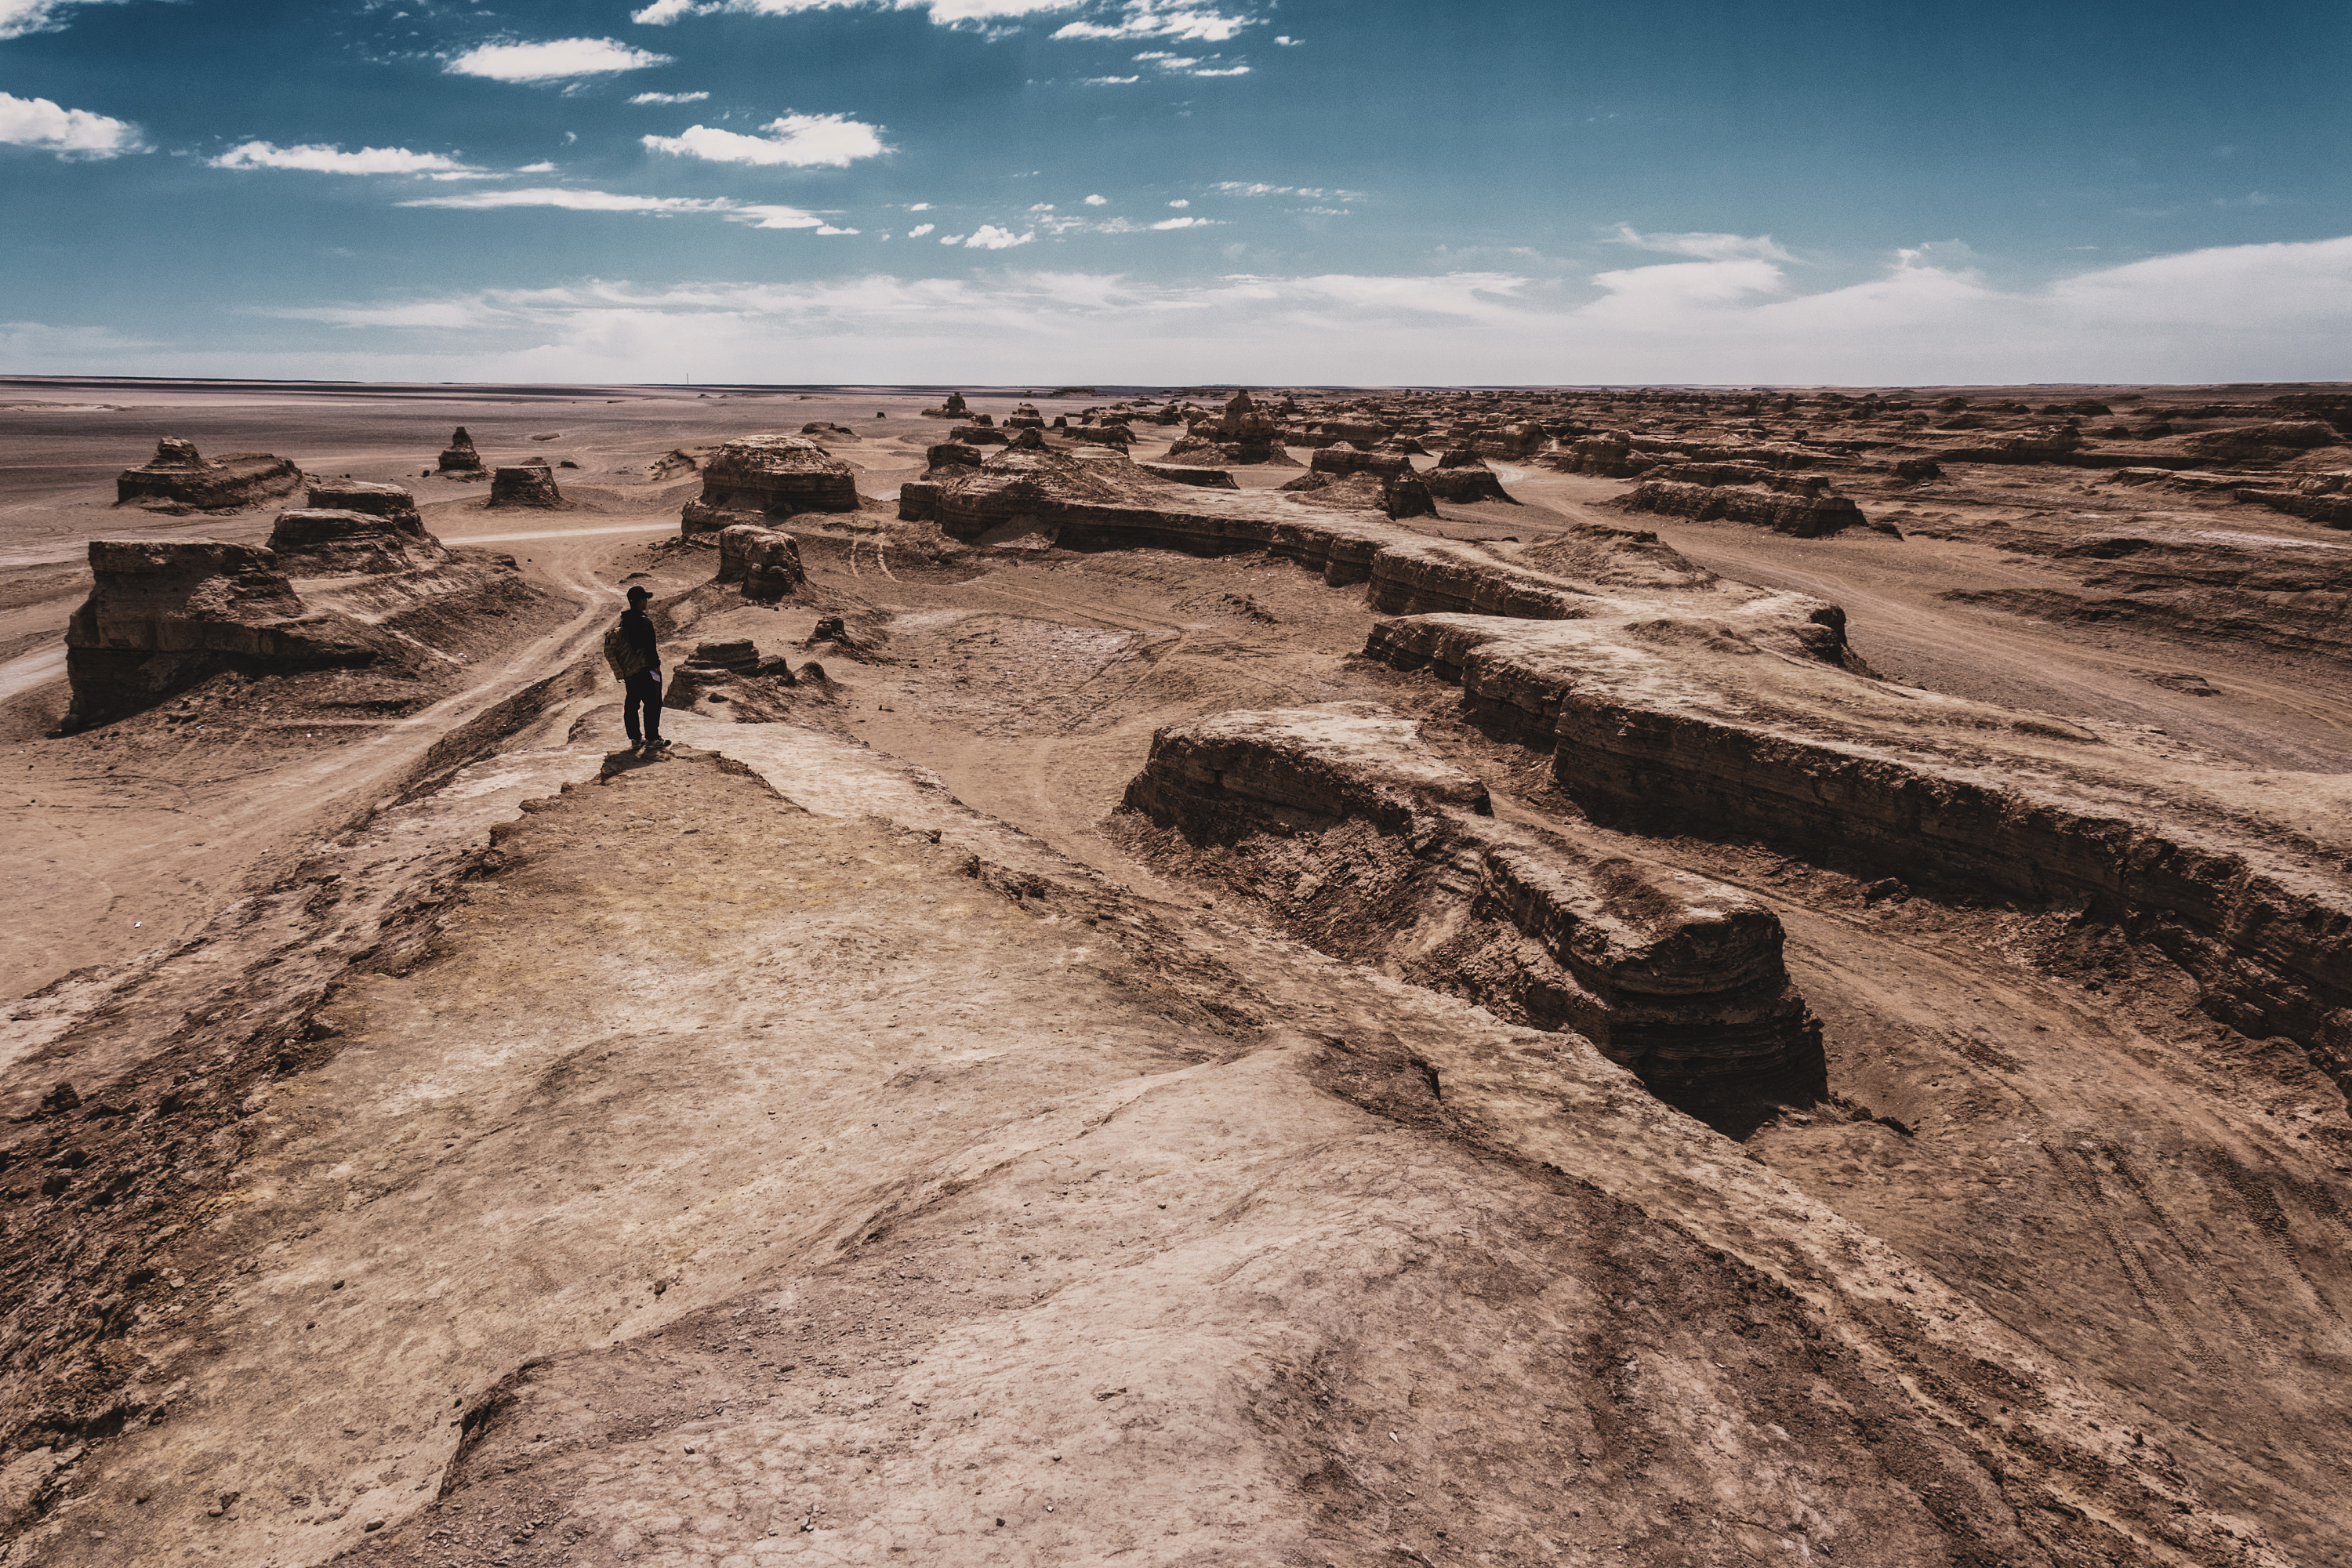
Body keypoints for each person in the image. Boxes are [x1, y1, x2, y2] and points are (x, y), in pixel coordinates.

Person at [615, 586, 668, 754]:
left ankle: (636, 739)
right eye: (645, 599)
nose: (647, 602)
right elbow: (649, 648)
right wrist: (656, 666)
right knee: (652, 703)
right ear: (640, 602)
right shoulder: (645, 622)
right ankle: (652, 738)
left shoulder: (624, 621)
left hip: (630, 671)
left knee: (632, 703)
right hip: (646, 670)